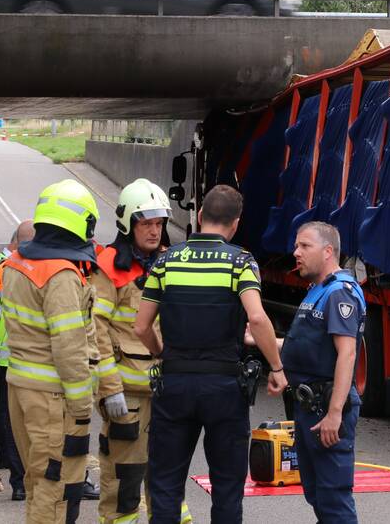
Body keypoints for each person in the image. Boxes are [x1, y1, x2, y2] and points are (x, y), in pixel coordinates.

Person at [134, 184, 287, 524]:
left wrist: (162, 354)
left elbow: (142, 327)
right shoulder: (241, 262)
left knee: (165, 485)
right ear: (236, 223)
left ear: (200, 216)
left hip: (174, 384)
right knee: (227, 487)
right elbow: (258, 318)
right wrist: (276, 367)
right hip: (224, 388)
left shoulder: (165, 261)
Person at [91, 179, 190, 524]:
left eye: (159, 223)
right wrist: (109, 388)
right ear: (127, 223)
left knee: (167, 474)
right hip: (127, 396)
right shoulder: (109, 269)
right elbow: (96, 331)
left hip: (166, 390)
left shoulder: (170, 264)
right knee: (125, 479)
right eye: (146, 223)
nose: (154, 231)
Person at [2, 179, 100, 524]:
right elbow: (69, 345)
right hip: (52, 399)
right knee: (54, 486)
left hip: (22, 389)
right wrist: (83, 403)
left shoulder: (17, 263)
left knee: (36, 479)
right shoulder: (60, 274)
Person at [280, 222, 366, 523]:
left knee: (333, 497)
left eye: (305, 246)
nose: (296, 253)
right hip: (308, 408)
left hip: (324, 409)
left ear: (328, 251)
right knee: (317, 494)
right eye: (296, 246)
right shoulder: (317, 290)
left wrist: (334, 413)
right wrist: (259, 340)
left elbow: (347, 352)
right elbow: (306, 344)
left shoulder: (339, 294)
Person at [0, 219, 36, 500]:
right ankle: (18, 475)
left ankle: (7, 458)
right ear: (19, 243)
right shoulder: (9, 271)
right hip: (15, 352)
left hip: (7, 349)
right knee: (16, 417)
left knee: (8, 412)